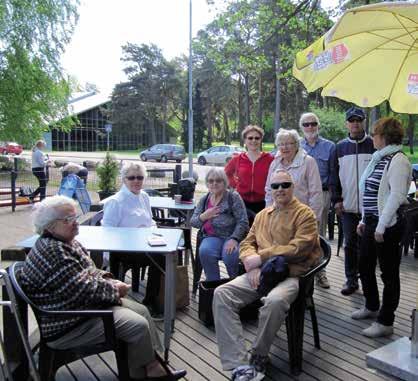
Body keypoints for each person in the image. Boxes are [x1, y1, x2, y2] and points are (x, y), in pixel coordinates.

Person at [18, 195, 186, 380]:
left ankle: (154, 365)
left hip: (78, 309)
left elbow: (89, 270)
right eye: (68, 220)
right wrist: (116, 289)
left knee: (142, 310)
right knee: (137, 326)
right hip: (68, 323)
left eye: (75, 217)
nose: (75, 223)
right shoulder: (54, 252)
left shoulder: (65, 242)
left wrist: (107, 278)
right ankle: (144, 373)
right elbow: (85, 292)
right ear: (49, 225)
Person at [213, 170, 320, 381]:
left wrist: (261, 258)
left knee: (275, 301)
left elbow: (300, 248)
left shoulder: (305, 214)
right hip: (260, 274)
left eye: (285, 185)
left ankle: (259, 354)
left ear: (293, 187)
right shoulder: (263, 214)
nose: (280, 189)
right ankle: (239, 364)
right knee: (222, 294)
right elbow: (246, 243)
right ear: (270, 189)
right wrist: (252, 265)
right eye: (275, 186)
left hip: (291, 275)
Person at [352, 117, 411, 338]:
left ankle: (386, 321)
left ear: (384, 136)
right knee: (364, 265)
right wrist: (364, 219)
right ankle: (371, 305)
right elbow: (372, 193)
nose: (372, 138)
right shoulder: (379, 159)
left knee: (389, 273)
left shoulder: (398, 160)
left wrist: (381, 226)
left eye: (375, 134)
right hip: (371, 222)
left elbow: (396, 196)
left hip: (388, 224)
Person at [102, 162, 163, 317]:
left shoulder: (144, 196)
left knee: (165, 256)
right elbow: (107, 232)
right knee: (160, 258)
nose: (136, 181)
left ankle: (151, 299)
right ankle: (149, 300)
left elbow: (151, 222)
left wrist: (156, 235)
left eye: (140, 177)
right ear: (124, 179)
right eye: (132, 177)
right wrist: (106, 258)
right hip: (124, 249)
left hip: (146, 244)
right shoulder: (115, 201)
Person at [330, 106, 375, 296]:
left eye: (358, 120)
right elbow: (334, 177)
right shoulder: (339, 147)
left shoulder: (374, 145)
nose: (355, 124)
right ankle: (351, 280)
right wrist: (337, 200)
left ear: (363, 122)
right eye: (352, 120)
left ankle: (367, 281)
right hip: (347, 207)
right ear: (347, 123)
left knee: (368, 247)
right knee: (349, 245)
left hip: (371, 209)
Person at [190, 167, 249, 281]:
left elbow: (243, 221)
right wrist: (205, 216)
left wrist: (234, 238)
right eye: (211, 181)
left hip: (231, 237)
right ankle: (213, 285)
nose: (214, 183)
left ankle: (235, 284)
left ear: (224, 182)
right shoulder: (205, 199)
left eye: (218, 180)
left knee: (230, 256)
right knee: (205, 251)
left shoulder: (233, 197)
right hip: (212, 237)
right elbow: (193, 222)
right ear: (207, 183)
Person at [300, 112, 336, 289]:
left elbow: (333, 174)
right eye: (306, 124)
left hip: (321, 194)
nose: (310, 127)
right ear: (302, 127)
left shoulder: (329, 147)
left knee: (318, 234)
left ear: (318, 125)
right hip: (299, 196)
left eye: (313, 124)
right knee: (300, 234)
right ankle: (303, 272)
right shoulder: (295, 145)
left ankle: (321, 273)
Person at [225, 125, 274, 222]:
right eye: (250, 138)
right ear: (245, 140)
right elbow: (226, 174)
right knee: (244, 231)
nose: (254, 141)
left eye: (257, 138)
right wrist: (235, 185)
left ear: (261, 140)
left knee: (261, 233)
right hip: (242, 202)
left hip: (264, 202)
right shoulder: (238, 159)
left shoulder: (270, 159)